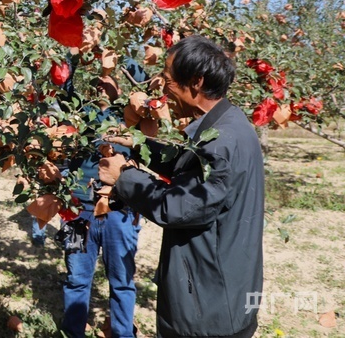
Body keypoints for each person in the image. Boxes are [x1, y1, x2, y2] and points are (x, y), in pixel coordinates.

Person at [100, 35, 264, 338]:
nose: (163, 88)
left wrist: (122, 176)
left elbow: (176, 207)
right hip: (222, 288)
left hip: (208, 308)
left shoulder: (220, 143)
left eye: (167, 78)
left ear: (196, 82)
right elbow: (188, 165)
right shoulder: (227, 124)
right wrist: (138, 144)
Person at [61, 75, 140, 338]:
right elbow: (63, 85)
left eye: (110, 80)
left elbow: (143, 79)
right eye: (98, 81)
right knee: (76, 278)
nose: (103, 84)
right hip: (77, 213)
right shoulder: (81, 113)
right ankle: (73, 332)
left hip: (118, 213)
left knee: (122, 282)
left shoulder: (131, 119)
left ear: (121, 88)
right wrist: (73, 51)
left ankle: (122, 334)